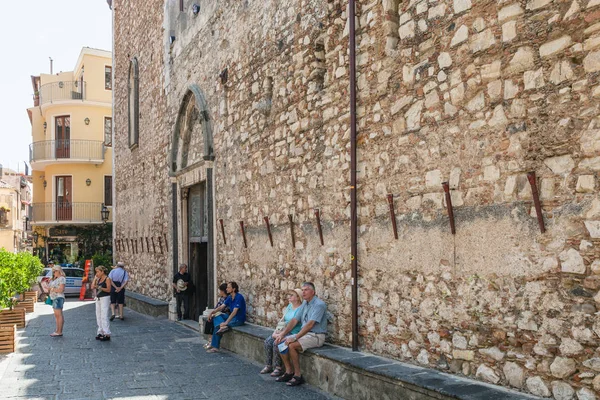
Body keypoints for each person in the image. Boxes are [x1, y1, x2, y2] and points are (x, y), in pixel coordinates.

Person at [274, 282, 328, 386]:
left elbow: (310, 325)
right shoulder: (304, 303)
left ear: (313, 292)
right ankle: (289, 372)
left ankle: (298, 376)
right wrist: (282, 334)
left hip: (316, 335)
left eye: (306, 290)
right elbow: (294, 320)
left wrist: (295, 337)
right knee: (280, 343)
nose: (303, 292)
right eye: (302, 290)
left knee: (291, 345)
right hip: (304, 334)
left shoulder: (319, 304)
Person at [260, 289, 303, 376]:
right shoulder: (290, 306)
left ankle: (278, 367)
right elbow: (282, 320)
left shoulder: (301, 309)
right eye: (289, 295)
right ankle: (268, 365)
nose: (289, 297)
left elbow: (293, 324)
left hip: (292, 332)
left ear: (298, 298)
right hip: (283, 330)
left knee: (277, 343)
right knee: (268, 341)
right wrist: (276, 331)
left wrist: (281, 334)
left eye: (292, 295)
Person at [206, 281, 246, 353]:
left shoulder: (239, 297)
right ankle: (221, 326)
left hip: (238, 319)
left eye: (228, 287)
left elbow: (234, 312)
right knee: (217, 315)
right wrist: (212, 312)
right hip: (231, 318)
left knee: (218, 327)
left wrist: (226, 322)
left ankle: (215, 347)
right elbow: (221, 307)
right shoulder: (230, 297)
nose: (226, 289)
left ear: (233, 289)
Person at [204, 283, 229, 349]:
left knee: (213, 322)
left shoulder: (227, 299)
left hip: (222, 315)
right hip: (218, 314)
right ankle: (210, 340)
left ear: (223, 291)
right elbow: (217, 307)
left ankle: (212, 342)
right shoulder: (221, 298)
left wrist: (214, 313)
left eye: (220, 291)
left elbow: (224, 309)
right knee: (208, 321)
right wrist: (213, 313)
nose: (219, 292)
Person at [91, 266, 112, 341]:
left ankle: (107, 333)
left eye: (98, 272)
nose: (97, 273)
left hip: (105, 298)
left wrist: (100, 288)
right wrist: (95, 278)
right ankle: (100, 331)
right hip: (98, 298)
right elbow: (92, 286)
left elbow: (109, 289)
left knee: (104, 315)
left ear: (102, 272)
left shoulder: (107, 279)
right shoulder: (98, 279)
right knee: (98, 315)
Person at [47, 265, 66, 337]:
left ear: (58, 271)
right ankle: (58, 330)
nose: (53, 273)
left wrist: (52, 289)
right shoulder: (56, 279)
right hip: (55, 298)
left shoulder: (62, 278)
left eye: (54, 271)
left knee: (59, 315)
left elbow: (61, 290)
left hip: (58, 298)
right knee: (57, 315)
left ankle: (59, 331)